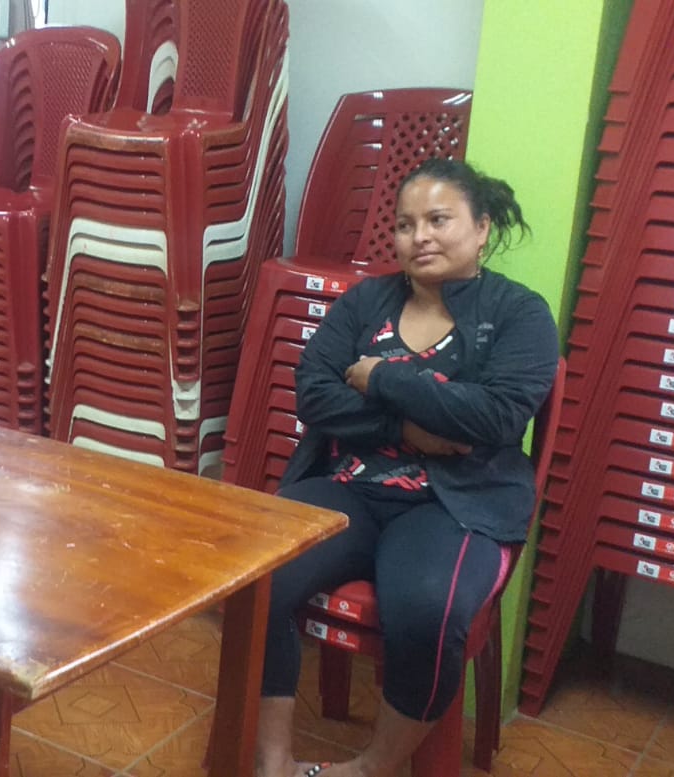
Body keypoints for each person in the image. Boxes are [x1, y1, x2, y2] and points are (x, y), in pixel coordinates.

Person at [255, 158, 559, 777]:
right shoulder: (367, 300)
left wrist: (381, 377)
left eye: (438, 220)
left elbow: (495, 417)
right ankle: (273, 763)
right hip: (350, 487)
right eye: (404, 224)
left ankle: (373, 767)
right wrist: (407, 429)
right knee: (256, 575)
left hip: (453, 505)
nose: (419, 236)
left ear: (481, 228)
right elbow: (314, 393)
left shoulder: (520, 313)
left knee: (426, 610)